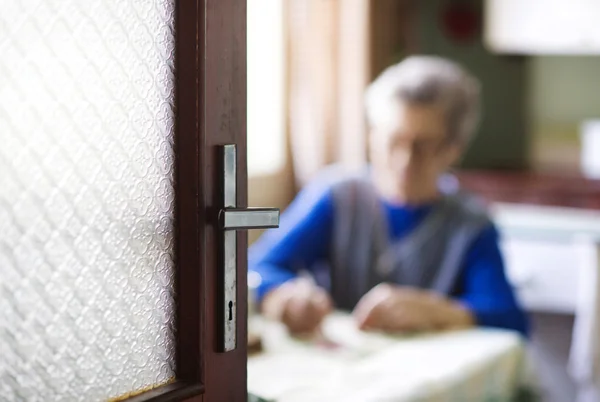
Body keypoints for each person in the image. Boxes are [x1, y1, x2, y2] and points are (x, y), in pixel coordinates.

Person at [249, 56, 529, 336]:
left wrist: (437, 310)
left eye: (423, 145)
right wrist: (284, 296)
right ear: (372, 137)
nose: (405, 160)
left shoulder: (469, 223)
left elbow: (508, 317)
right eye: (393, 140)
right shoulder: (338, 196)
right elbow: (259, 266)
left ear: (454, 149)